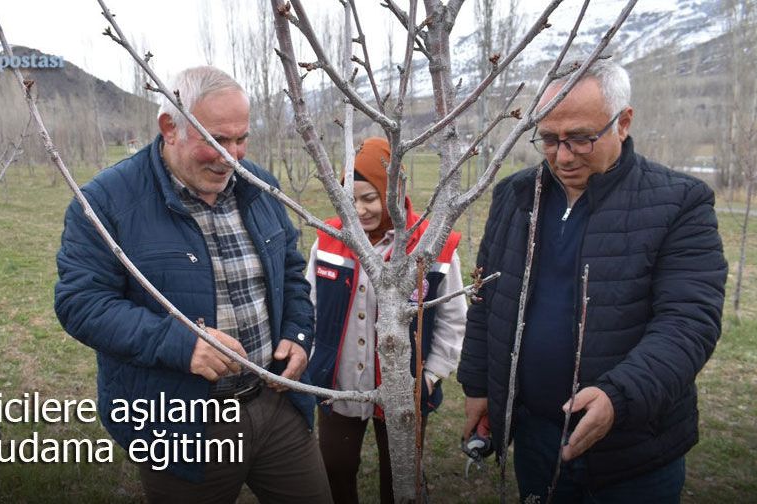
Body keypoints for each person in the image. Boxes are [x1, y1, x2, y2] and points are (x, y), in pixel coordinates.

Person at [54, 66, 332, 504]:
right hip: (180, 423)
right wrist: (182, 344)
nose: (232, 156)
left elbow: (291, 272)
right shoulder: (106, 201)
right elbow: (81, 303)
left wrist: (298, 334)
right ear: (170, 128)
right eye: (217, 139)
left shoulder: (259, 186)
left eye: (241, 139)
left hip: (276, 404)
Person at [457, 59, 727, 503]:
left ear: (623, 122)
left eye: (581, 138)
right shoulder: (515, 195)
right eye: (548, 138)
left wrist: (619, 397)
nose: (563, 156)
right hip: (536, 437)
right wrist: (479, 387)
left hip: (634, 449)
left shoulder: (680, 203)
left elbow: (688, 323)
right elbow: (489, 299)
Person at [306, 137, 467, 503]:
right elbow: (309, 305)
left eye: (370, 198)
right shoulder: (329, 240)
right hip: (340, 383)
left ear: (393, 191)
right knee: (335, 468)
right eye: (352, 199)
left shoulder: (432, 245)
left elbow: (452, 320)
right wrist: (316, 361)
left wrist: (431, 374)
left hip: (404, 390)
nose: (360, 210)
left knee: (400, 477)